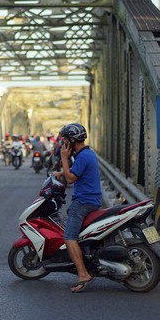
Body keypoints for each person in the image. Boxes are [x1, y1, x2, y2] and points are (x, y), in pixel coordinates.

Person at [53, 123, 102, 293]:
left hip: (83, 202)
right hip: (91, 199)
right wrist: (60, 173)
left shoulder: (82, 157)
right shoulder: (86, 154)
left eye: (65, 140)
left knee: (69, 237)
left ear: (72, 140)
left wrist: (64, 158)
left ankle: (83, 274)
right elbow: (74, 173)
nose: (64, 143)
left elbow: (72, 178)